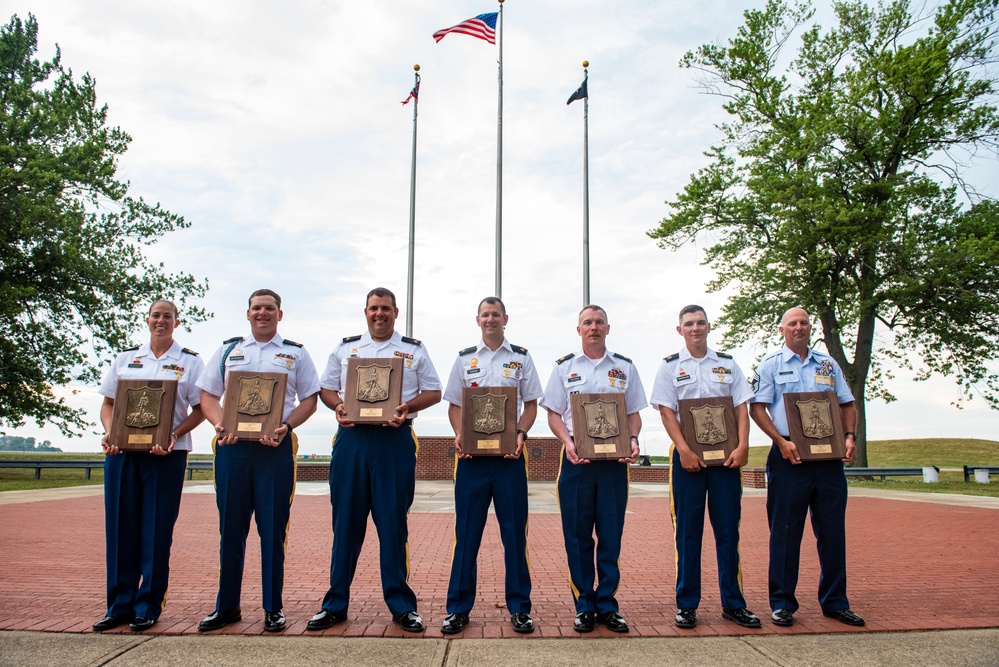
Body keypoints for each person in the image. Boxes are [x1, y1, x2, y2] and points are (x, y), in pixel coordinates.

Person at [307, 287, 442, 633]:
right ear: (364, 312)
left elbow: (434, 391)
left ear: (396, 312)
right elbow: (326, 388)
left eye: (385, 308)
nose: (379, 314)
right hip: (352, 439)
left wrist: (407, 407)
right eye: (373, 309)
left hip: (393, 440)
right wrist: (337, 405)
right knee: (345, 526)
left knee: (392, 526)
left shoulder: (413, 350)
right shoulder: (346, 348)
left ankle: (401, 606)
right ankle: (335, 604)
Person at [196, 289, 320, 633]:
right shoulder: (228, 351)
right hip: (233, 449)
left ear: (280, 314)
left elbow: (310, 398)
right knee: (231, 531)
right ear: (247, 313)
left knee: (272, 531)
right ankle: (227, 607)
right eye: (256, 308)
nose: (262, 313)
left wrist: (287, 426)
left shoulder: (295, 353)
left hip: (274, 449)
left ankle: (272, 608)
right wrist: (219, 423)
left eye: (269, 308)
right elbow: (207, 395)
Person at [93, 300, 206, 632]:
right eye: (156, 316)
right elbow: (108, 405)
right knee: (120, 528)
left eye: (167, 317)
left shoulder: (190, 361)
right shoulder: (127, 358)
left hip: (166, 454)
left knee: (156, 531)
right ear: (147, 320)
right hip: (122, 454)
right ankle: (119, 606)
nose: (161, 321)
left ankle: (147, 606)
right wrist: (110, 432)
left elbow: (200, 409)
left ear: (176, 322)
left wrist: (174, 433)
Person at [749, 306, 864, 628]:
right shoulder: (770, 365)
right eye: (793, 324)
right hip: (789, 456)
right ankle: (783, 603)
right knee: (785, 533)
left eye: (804, 323)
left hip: (828, 458)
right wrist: (780, 441)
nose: (799, 328)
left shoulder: (828, 364)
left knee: (832, 532)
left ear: (810, 328)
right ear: (782, 329)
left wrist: (850, 437)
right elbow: (757, 408)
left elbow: (846, 403)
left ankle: (836, 602)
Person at [649, 305, 760, 630]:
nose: (695, 328)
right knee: (687, 534)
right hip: (688, 462)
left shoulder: (727, 363)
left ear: (709, 327)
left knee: (728, 533)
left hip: (726, 462)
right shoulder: (670, 367)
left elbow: (742, 406)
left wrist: (743, 445)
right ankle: (687, 605)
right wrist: (683, 451)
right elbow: (666, 411)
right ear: (679, 329)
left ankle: (734, 604)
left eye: (700, 323)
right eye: (689, 324)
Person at [439, 297, 543, 635]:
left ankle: (519, 608)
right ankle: (458, 609)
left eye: (495, 314)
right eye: (485, 314)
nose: (490, 319)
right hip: (471, 461)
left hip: (509, 460)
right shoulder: (464, 358)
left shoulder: (521, 358)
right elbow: (455, 405)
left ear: (505, 319)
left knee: (514, 537)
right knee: (466, 536)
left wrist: (521, 433)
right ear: (477, 319)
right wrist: (459, 434)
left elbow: (531, 405)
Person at [541, 304, 647, 633]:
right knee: (578, 536)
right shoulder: (564, 368)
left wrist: (632, 438)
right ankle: (584, 604)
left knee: (610, 536)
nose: (593, 327)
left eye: (599, 322)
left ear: (608, 328)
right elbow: (554, 414)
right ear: (578, 330)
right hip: (576, 461)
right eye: (587, 322)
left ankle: (607, 604)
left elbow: (634, 413)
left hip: (614, 464)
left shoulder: (625, 368)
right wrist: (567, 443)